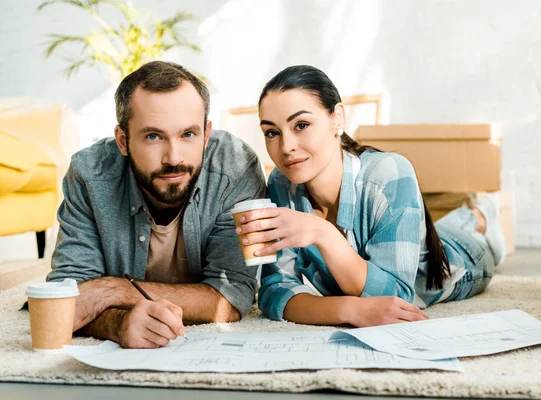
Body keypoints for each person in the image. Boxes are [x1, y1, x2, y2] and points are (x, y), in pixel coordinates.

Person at [236, 65, 506, 327]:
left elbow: (394, 298)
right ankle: (472, 214)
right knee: (440, 226)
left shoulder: (390, 172)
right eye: (272, 132)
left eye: (302, 125)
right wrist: (350, 309)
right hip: (420, 240)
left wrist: (323, 233)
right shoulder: (282, 184)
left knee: (463, 235)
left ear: (337, 119)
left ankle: (480, 216)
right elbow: (274, 293)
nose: (286, 147)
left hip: (462, 261)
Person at [47, 61, 266, 348]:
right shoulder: (89, 174)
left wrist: (115, 291)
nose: (174, 158)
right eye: (153, 136)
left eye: (188, 134)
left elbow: (232, 298)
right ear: (123, 141)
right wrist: (118, 325)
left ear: (206, 134)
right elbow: (66, 302)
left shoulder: (235, 168)